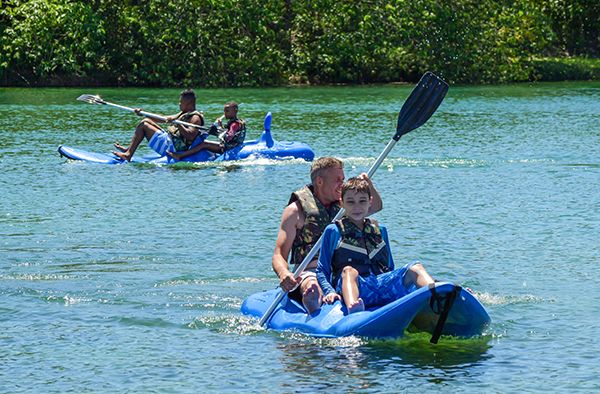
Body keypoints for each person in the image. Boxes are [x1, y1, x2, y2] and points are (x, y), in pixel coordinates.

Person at [272, 157, 383, 314]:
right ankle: (314, 311)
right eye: (337, 180)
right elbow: (278, 254)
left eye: (343, 179)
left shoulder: (345, 204)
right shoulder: (295, 211)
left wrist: (368, 185)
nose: (342, 185)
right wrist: (284, 273)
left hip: (342, 269)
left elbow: (376, 206)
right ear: (319, 181)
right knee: (312, 288)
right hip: (311, 271)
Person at [316, 177, 435, 314]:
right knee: (349, 271)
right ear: (342, 203)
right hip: (355, 288)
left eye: (362, 201)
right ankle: (353, 309)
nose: (357, 207)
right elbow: (322, 270)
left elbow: (389, 267)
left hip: (380, 285)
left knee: (415, 267)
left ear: (370, 202)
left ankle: (437, 295)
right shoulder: (333, 231)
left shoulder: (380, 230)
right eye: (350, 202)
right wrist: (329, 292)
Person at [113, 89, 205, 161]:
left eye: (181, 102)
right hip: (171, 140)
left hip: (174, 148)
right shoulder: (183, 113)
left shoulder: (195, 118)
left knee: (143, 125)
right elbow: (163, 119)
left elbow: (190, 136)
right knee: (146, 120)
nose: (179, 104)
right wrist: (143, 113)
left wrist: (178, 124)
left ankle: (128, 155)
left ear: (188, 104)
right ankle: (129, 149)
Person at [167, 101, 246, 160]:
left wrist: (218, 129)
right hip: (232, 145)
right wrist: (220, 126)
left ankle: (181, 155)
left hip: (229, 148)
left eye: (227, 111)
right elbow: (228, 134)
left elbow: (228, 137)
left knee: (204, 144)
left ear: (235, 111)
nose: (225, 113)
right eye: (224, 111)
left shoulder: (234, 124)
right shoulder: (236, 122)